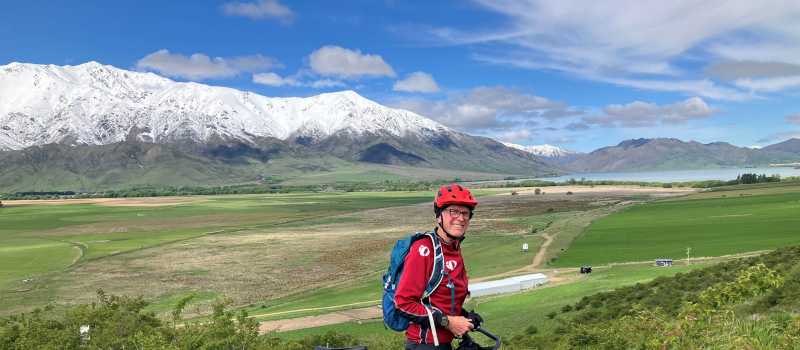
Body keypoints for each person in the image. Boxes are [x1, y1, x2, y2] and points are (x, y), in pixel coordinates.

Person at [394, 183, 482, 350]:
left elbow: (439, 299)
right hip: (424, 344)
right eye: (453, 211)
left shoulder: (454, 249)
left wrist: (464, 316)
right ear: (439, 216)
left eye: (465, 213)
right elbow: (403, 303)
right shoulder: (424, 249)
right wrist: (448, 322)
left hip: (443, 343)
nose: (461, 218)